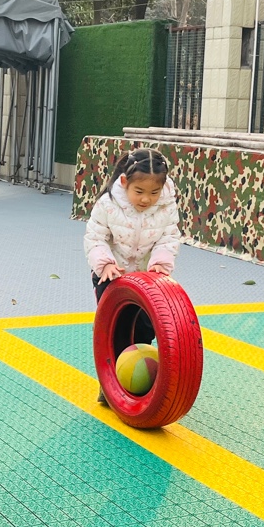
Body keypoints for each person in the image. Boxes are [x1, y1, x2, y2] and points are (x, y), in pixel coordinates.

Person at [84, 147, 181, 403]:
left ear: (163, 187)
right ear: (125, 182)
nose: (146, 199)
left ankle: (142, 378)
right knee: (115, 328)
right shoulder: (108, 204)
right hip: (112, 274)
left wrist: (160, 264)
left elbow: (169, 237)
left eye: (154, 192)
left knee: (146, 328)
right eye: (139, 191)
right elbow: (95, 237)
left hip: (147, 277)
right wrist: (105, 264)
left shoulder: (166, 206)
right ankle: (110, 384)